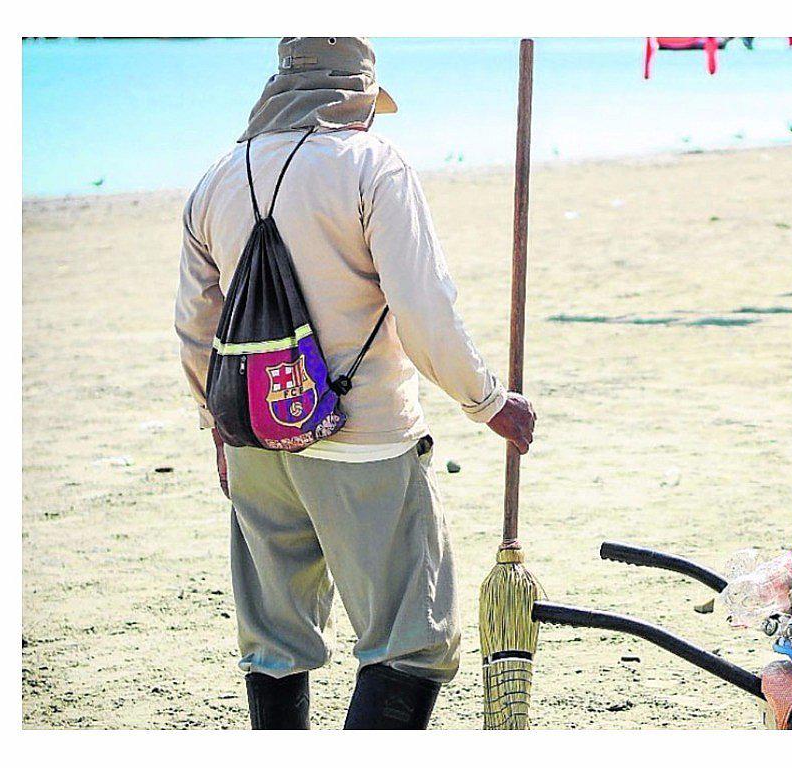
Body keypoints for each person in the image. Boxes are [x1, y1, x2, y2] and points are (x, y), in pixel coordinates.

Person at [174, 37, 535, 729]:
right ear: (357, 101)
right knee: (412, 640)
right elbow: (422, 305)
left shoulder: (216, 176)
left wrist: (216, 426)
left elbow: (196, 327)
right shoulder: (372, 164)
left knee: (275, 645)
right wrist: (486, 400)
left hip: (254, 439)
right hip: (363, 439)